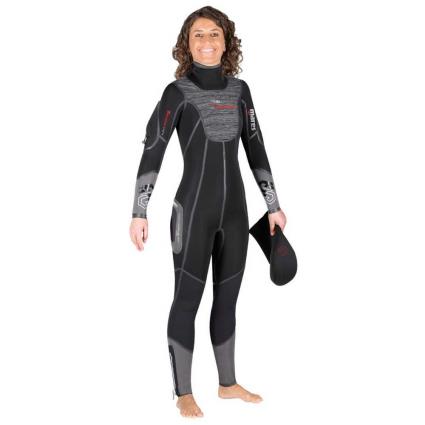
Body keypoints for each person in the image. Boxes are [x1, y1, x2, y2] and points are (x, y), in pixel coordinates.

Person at [129, 6, 287, 418]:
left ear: (226, 42)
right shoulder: (176, 93)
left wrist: (273, 206)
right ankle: (183, 391)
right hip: (193, 211)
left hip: (235, 213)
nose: (206, 42)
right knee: (187, 299)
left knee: (228, 298)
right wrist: (139, 211)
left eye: (214, 34)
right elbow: (153, 150)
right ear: (187, 44)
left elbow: (256, 149)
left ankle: (227, 384)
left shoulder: (241, 91)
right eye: (198, 35)